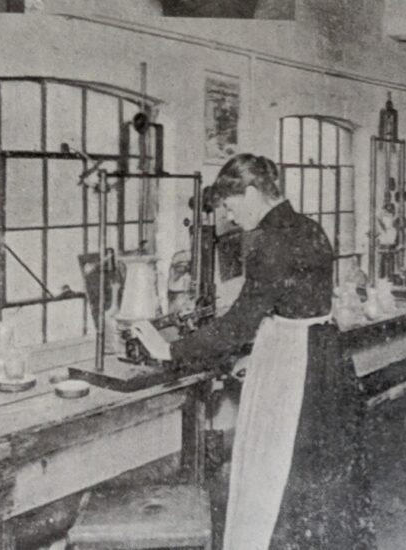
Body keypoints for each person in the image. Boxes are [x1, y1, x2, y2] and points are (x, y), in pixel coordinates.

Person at [131, 153, 374, 550]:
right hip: (323, 351)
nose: (227, 215)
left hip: (293, 361)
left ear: (251, 192)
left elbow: (239, 324)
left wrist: (171, 350)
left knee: (275, 464)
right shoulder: (310, 227)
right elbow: (289, 304)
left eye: (229, 204)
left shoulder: (268, 240)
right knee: (319, 466)